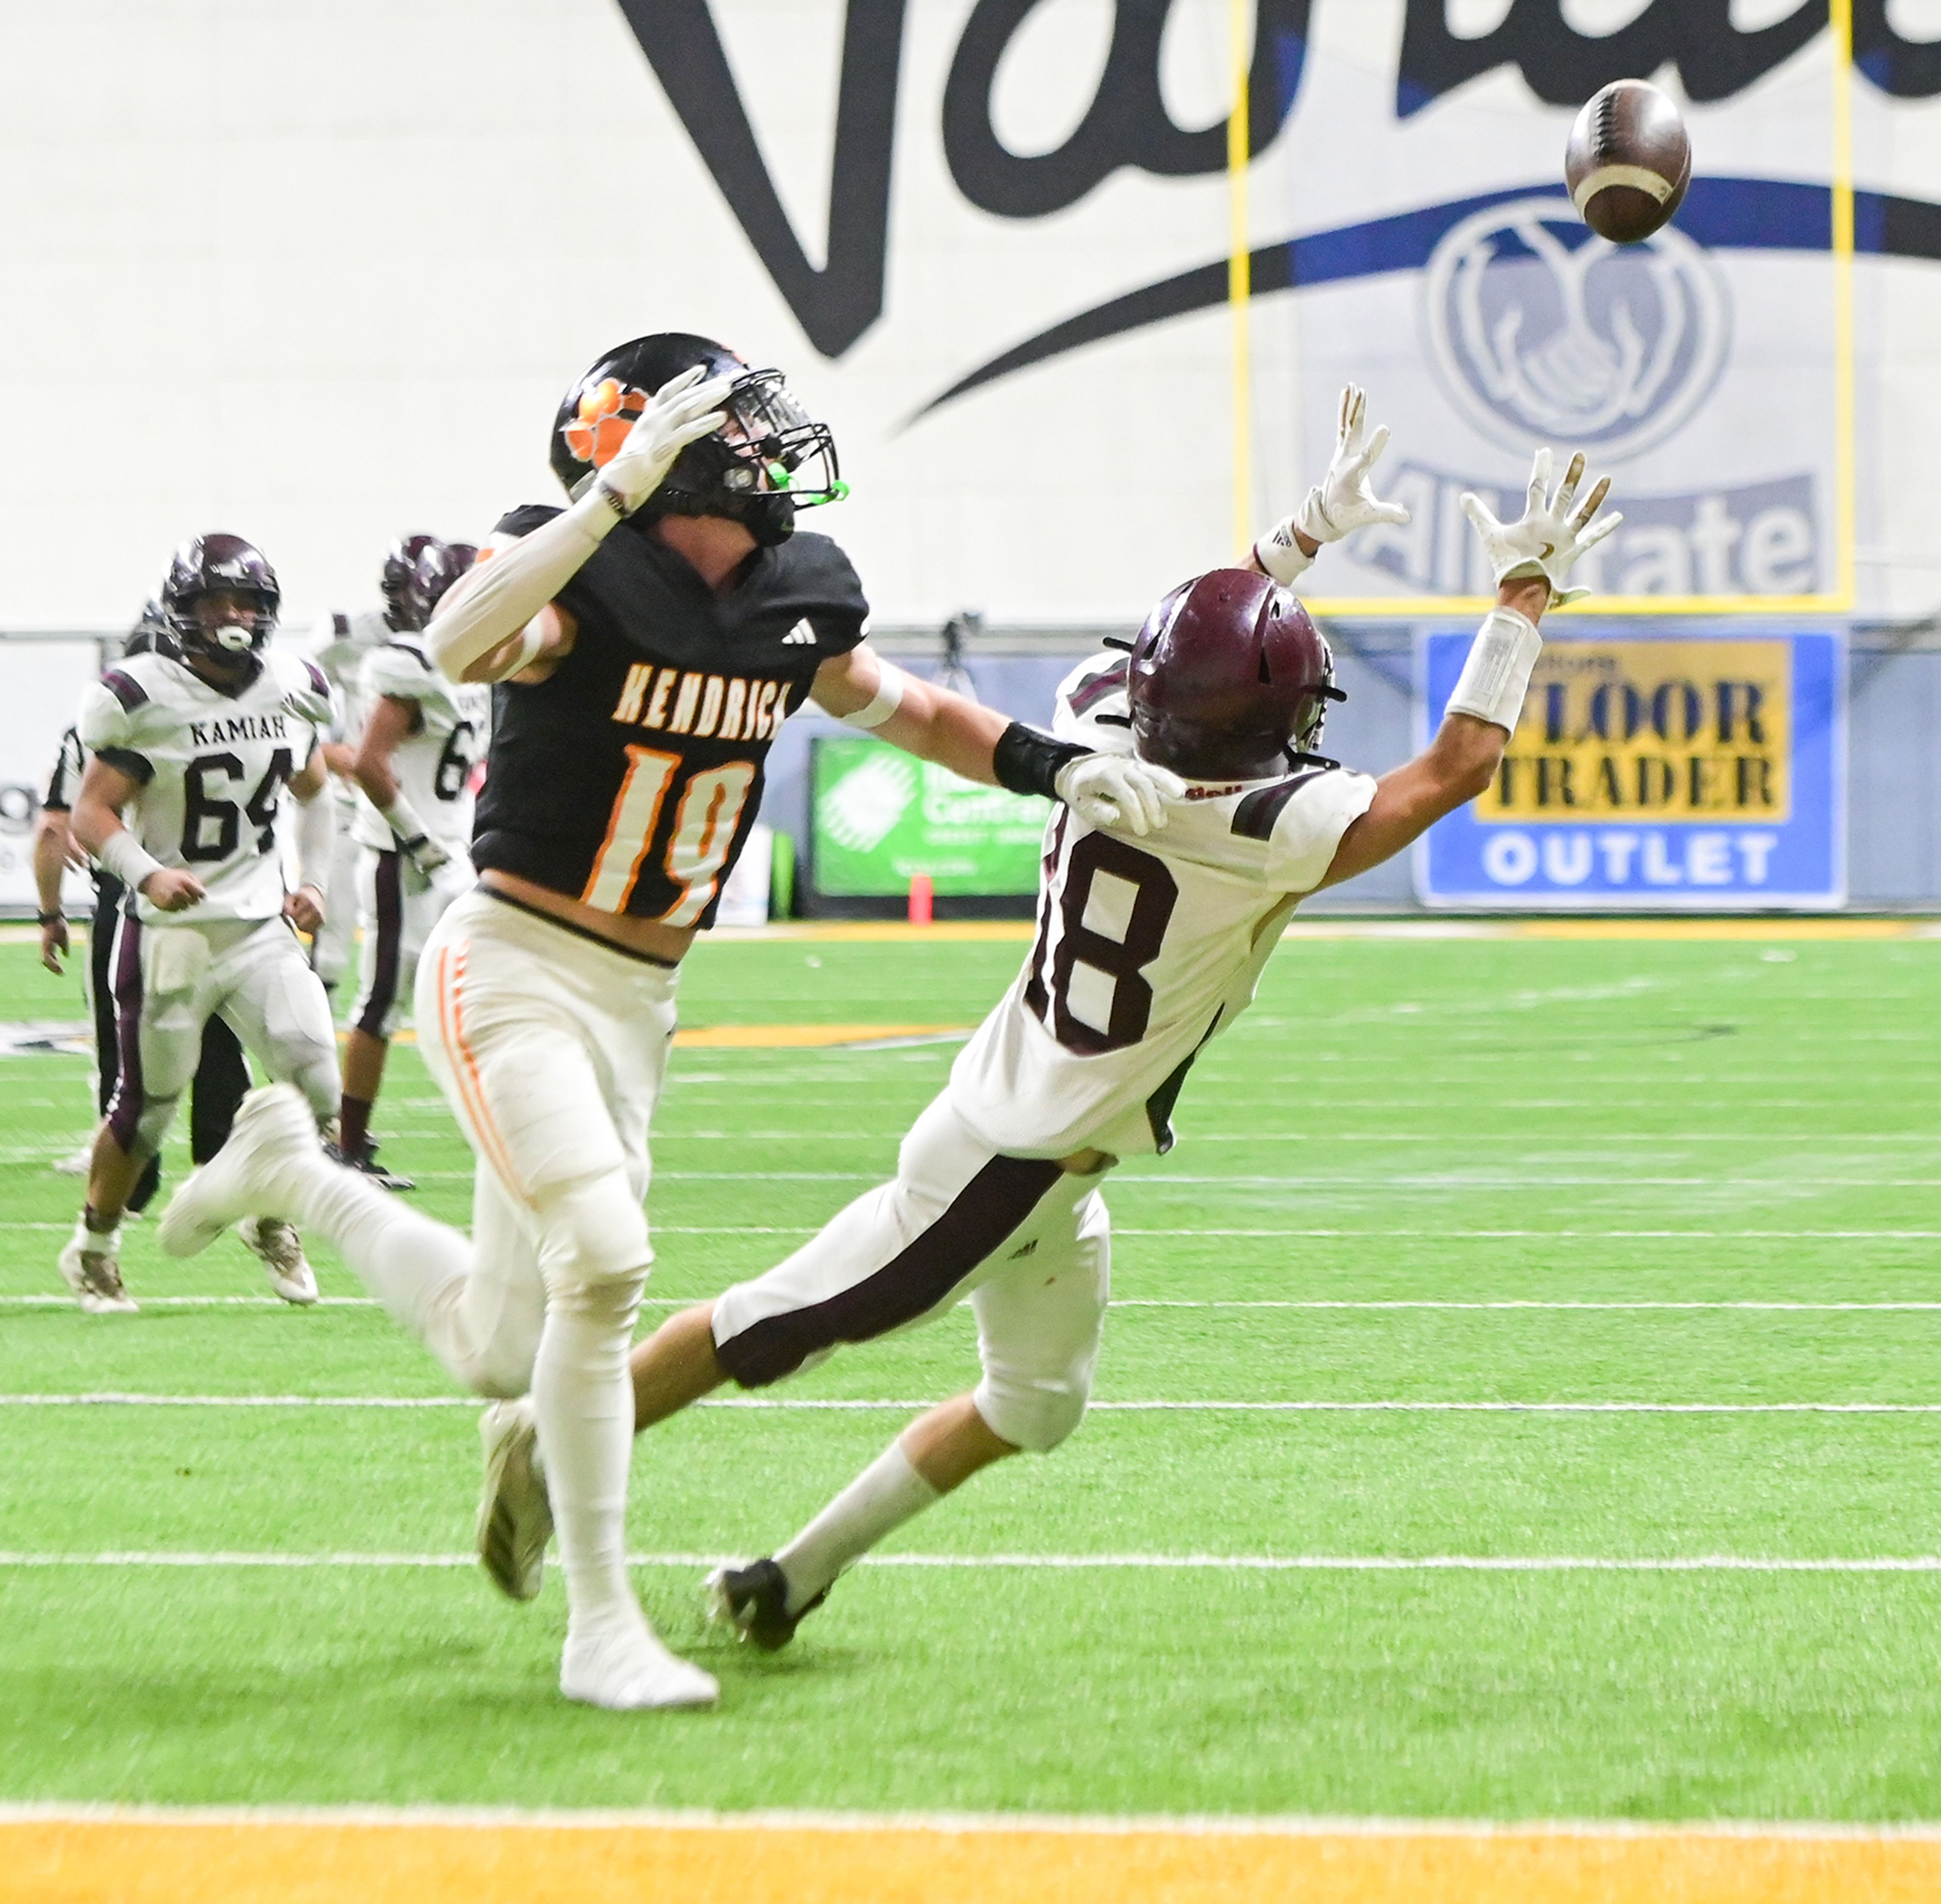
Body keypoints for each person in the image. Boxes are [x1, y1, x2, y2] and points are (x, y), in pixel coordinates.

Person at [155, 331, 1184, 1712]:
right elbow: (456, 644)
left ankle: (290, 1166)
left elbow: (908, 706)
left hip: (639, 998)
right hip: (513, 957)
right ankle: (602, 1624)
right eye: (739, 429)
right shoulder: (578, 567)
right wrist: (602, 505)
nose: (771, 451)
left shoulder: (793, 594)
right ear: (664, 449)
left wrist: (1050, 766)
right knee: (609, 1256)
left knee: (501, 1344)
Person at [473, 420, 1623, 1653]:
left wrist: (1295, 544)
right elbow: (1452, 765)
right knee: (776, 1326)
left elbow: (1193, 648)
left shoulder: (1093, 719)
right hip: (1007, 1159)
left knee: (1034, 1405)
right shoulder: (1271, 826)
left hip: (1046, 1144)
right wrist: (1522, 595)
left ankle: (787, 1578)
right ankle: (547, 1435)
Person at [60, 534, 342, 1313]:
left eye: (246, 601)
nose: (232, 616)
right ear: (182, 611)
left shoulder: (292, 688)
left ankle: (266, 1210)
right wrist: (145, 870)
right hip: (170, 935)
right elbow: (91, 812)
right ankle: (95, 1247)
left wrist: (312, 878)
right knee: (148, 1109)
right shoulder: (144, 695)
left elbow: (318, 790)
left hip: (258, 926)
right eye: (216, 601)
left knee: (318, 1079)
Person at [35, 609, 251, 1213]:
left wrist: (50, 913)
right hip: (215, 891)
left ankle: (127, 1187)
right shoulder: (229, 713)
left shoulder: (94, 727)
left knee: (125, 1044)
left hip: (129, 897)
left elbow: (54, 825)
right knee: (218, 1034)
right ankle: (223, 1163)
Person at [332, 538, 490, 1187]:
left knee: (486, 991)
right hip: (406, 857)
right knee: (381, 1003)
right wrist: (419, 841)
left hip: (454, 850)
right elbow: (369, 762)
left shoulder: (485, 657)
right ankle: (346, 1145)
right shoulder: (410, 663)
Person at [307, 534, 448, 1004]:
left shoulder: (449, 646)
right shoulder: (346, 636)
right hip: (351, 808)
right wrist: (332, 754)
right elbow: (295, 715)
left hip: (424, 809)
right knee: (330, 941)